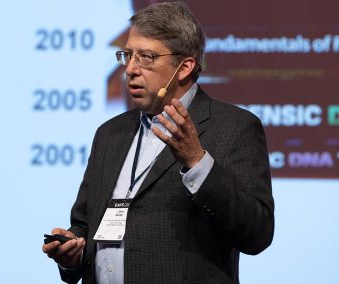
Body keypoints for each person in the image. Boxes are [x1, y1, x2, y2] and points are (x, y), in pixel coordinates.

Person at [42, 2, 274, 283]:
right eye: (127, 55)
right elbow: (84, 224)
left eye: (146, 57)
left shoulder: (233, 127)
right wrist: (72, 252)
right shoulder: (109, 133)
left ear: (185, 66)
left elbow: (257, 233)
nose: (129, 69)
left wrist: (197, 161)